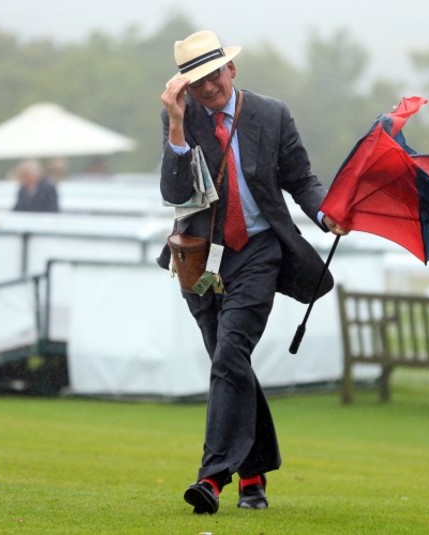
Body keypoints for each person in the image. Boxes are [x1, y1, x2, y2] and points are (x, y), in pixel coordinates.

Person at [157, 30, 347, 515]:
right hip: (199, 258)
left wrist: (327, 215)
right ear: (185, 88)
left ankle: (212, 478)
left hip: (260, 251)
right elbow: (176, 194)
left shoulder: (272, 114)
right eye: (195, 82)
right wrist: (177, 123)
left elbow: (301, 179)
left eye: (213, 75)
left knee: (230, 355)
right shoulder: (179, 118)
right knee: (231, 364)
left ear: (231, 70)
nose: (207, 87)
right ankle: (254, 478)